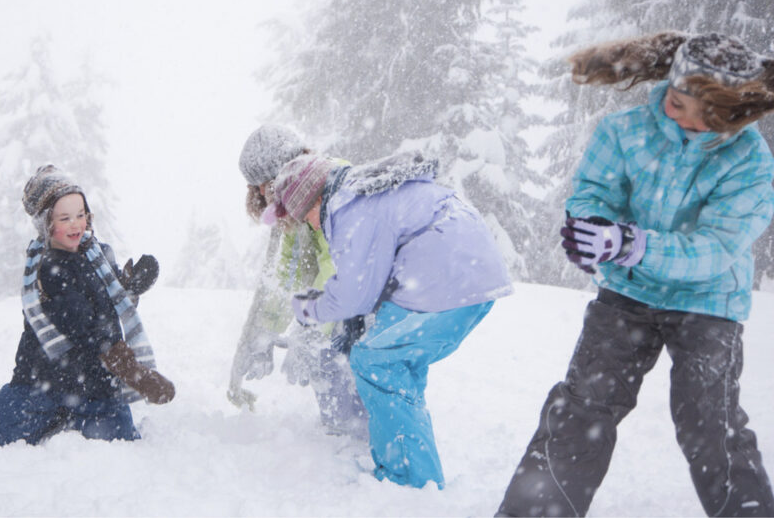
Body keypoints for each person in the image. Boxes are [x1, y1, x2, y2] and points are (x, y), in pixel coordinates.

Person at [497, 32, 774, 516]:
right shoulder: (624, 130)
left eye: (704, 114)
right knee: (582, 407)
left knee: (709, 423)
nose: (683, 119)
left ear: (733, 113)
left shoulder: (750, 162)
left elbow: (715, 249)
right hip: (627, 293)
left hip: (708, 302)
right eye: (675, 101)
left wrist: (633, 244)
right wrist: (592, 228)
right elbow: (592, 192)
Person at [264, 150, 513, 489]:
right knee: (398, 365)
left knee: (375, 361)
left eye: (305, 215)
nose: (310, 223)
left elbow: (355, 295)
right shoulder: (365, 194)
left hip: (444, 279)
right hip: (472, 276)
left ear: (314, 199)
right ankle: (405, 464)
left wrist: (310, 309)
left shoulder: (350, 208)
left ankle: (410, 479)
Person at [0, 164, 175, 446]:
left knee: (119, 436)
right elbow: (83, 324)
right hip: (46, 375)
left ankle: (74, 414)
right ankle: (55, 412)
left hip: (94, 381)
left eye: (81, 214)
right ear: (47, 223)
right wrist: (131, 370)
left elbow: (110, 295)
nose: (76, 224)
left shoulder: (97, 253)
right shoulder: (48, 269)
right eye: (65, 218)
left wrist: (129, 285)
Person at [227, 124, 369, 439]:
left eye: (265, 185)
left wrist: (312, 329)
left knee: (339, 362)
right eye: (257, 187)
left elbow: (338, 265)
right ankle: (343, 439)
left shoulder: (331, 188)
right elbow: (290, 274)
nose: (262, 195)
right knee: (328, 363)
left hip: (365, 306)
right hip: (343, 305)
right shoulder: (297, 208)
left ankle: (357, 442)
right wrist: (268, 330)